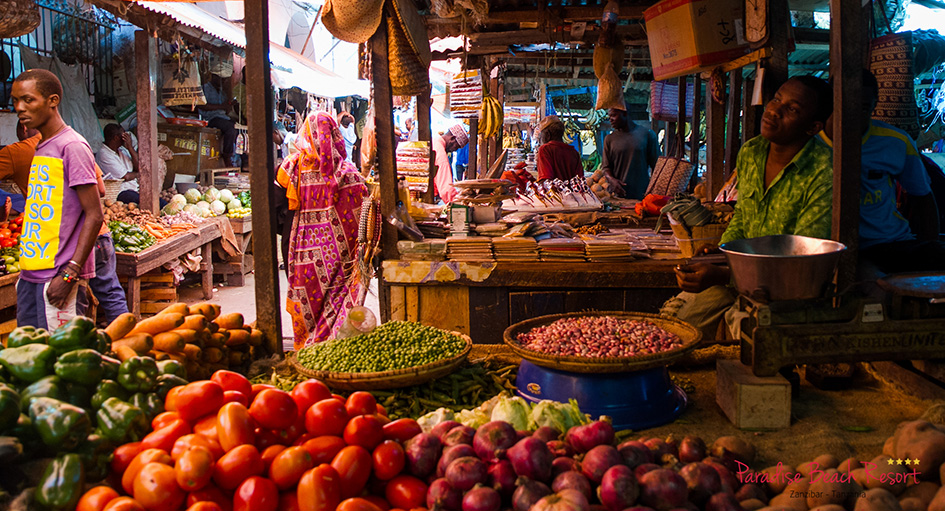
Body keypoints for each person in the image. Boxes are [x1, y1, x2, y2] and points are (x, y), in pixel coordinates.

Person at [661, 76, 834, 341]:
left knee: (751, 340)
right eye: (777, 99)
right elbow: (743, 217)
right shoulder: (752, 152)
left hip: (785, 292)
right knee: (672, 326)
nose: (774, 110)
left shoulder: (824, 170)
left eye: (792, 109)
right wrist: (721, 253)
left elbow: (801, 260)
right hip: (737, 275)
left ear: (812, 127)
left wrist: (725, 273)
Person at [819, 70, 945, 274]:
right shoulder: (808, 139)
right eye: (843, 103)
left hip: (888, 243)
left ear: (874, 105)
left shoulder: (895, 141)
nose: (851, 112)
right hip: (827, 246)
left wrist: (929, 247)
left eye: (862, 108)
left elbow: (923, 198)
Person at [11, 69, 104, 329]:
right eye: (15, 100)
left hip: (57, 278)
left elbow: (95, 214)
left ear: (53, 101)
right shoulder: (43, 146)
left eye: (28, 100)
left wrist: (70, 274)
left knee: (61, 362)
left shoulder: (72, 146)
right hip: (32, 276)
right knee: (30, 359)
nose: (19, 108)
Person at [278, 111, 368, 348]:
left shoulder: (293, 168)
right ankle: (331, 347)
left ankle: (305, 352)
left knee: (305, 304)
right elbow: (364, 215)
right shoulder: (349, 175)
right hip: (340, 259)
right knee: (336, 300)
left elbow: (277, 201)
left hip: (302, 258)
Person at [600, 107, 661, 199]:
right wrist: (612, 180)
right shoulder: (609, 139)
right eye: (609, 116)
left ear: (625, 113)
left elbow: (657, 166)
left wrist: (654, 189)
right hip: (617, 196)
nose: (610, 119)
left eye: (613, 115)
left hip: (642, 195)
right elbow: (606, 167)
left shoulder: (647, 134)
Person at [0, 120, 41, 213]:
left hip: (39, 219)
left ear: (24, 127)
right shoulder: (71, 142)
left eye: (20, 138)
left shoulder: (16, 151)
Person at [198, 73, 238, 167]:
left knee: (236, 127)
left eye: (224, 79)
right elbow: (201, 105)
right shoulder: (205, 89)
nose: (223, 81)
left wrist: (229, 105)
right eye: (221, 79)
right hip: (210, 118)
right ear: (214, 77)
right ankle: (227, 156)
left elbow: (226, 110)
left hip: (222, 118)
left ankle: (235, 157)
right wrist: (221, 106)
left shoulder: (221, 92)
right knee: (230, 128)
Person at [96, 123, 140, 204]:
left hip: (135, 188)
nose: (126, 138)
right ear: (116, 138)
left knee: (159, 201)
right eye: (123, 136)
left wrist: (130, 148)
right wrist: (138, 174)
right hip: (122, 192)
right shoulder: (104, 154)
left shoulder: (122, 150)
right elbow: (126, 176)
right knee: (143, 201)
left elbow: (139, 167)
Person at [535, 116, 583, 181]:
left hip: (554, 191)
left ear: (547, 134)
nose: (540, 138)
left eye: (541, 135)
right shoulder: (574, 152)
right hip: (572, 191)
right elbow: (580, 180)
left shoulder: (545, 149)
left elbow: (545, 180)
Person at [433, 125, 469, 203]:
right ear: (452, 139)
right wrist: (459, 203)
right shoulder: (440, 153)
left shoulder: (435, 139)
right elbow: (446, 190)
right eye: (457, 147)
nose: (455, 150)